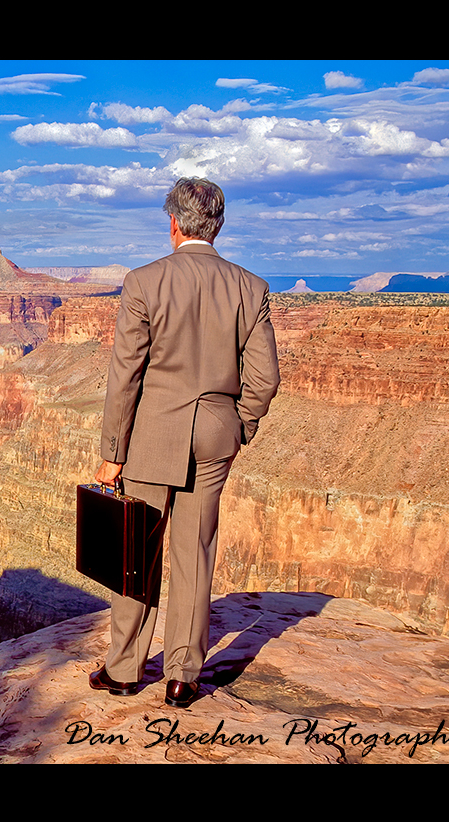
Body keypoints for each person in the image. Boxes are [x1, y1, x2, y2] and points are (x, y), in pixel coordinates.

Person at [89, 176, 280, 708]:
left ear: (173, 223)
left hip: (154, 433)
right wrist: (239, 424)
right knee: (194, 551)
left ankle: (125, 669)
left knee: (137, 552)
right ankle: (182, 676)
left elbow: (125, 375)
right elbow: (264, 379)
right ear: (217, 225)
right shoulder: (251, 286)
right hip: (216, 434)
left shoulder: (144, 282)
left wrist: (112, 453)